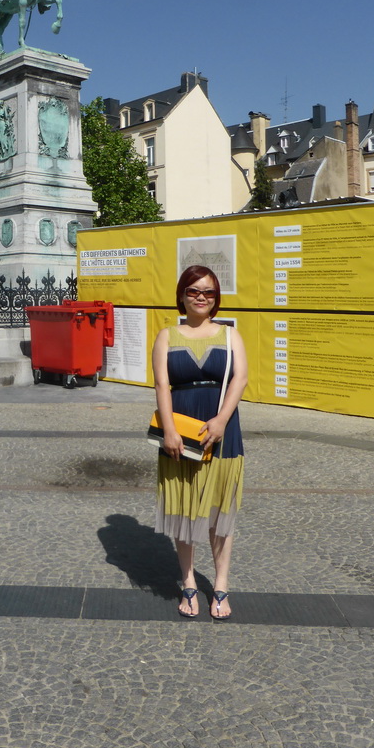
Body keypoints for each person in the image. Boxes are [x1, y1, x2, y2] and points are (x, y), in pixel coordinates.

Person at [151, 264, 248, 620]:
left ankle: (221, 585)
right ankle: (189, 581)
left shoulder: (229, 335)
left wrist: (222, 420)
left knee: (221, 511)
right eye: (193, 291)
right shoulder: (166, 335)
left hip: (223, 429)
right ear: (182, 296)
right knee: (185, 508)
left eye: (208, 291)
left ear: (216, 297)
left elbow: (240, 379)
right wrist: (170, 431)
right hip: (181, 429)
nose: (201, 297)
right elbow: (162, 385)